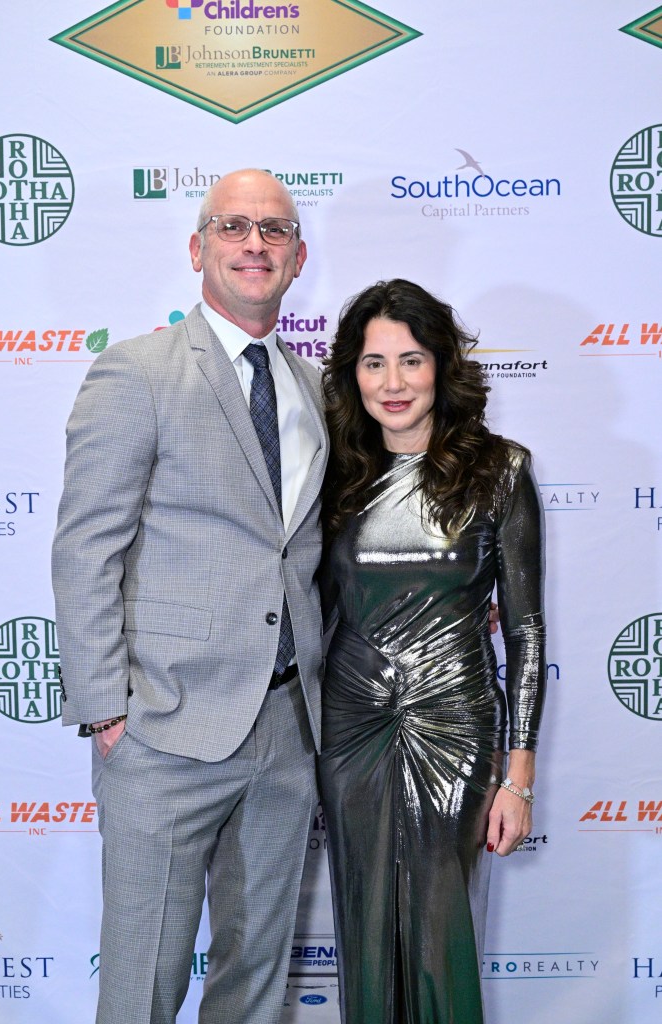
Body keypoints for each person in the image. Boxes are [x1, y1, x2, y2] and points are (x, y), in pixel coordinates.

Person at [51, 169, 328, 1024]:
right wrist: (107, 710)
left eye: (274, 230)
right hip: (163, 727)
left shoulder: (315, 387)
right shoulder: (136, 371)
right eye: (233, 227)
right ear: (197, 247)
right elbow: (85, 546)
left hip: (288, 728)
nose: (255, 244)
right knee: (142, 985)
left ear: (298, 257)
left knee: (255, 980)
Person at [318, 279, 546, 1024]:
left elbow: (525, 632)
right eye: (373, 362)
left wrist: (518, 779)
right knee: (363, 924)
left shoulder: (499, 470)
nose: (393, 382)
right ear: (352, 373)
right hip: (350, 728)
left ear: (441, 366)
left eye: (410, 360)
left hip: (456, 727)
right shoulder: (332, 475)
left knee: (442, 932)